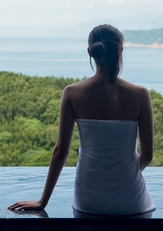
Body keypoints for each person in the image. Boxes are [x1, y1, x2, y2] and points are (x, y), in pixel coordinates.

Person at [8, 24, 155, 215]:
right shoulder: (140, 94)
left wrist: (42, 201)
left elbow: (61, 151)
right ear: (120, 51)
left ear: (90, 52)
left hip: (89, 198)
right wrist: (123, 175)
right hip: (131, 199)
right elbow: (148, 155)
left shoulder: (72, 93)